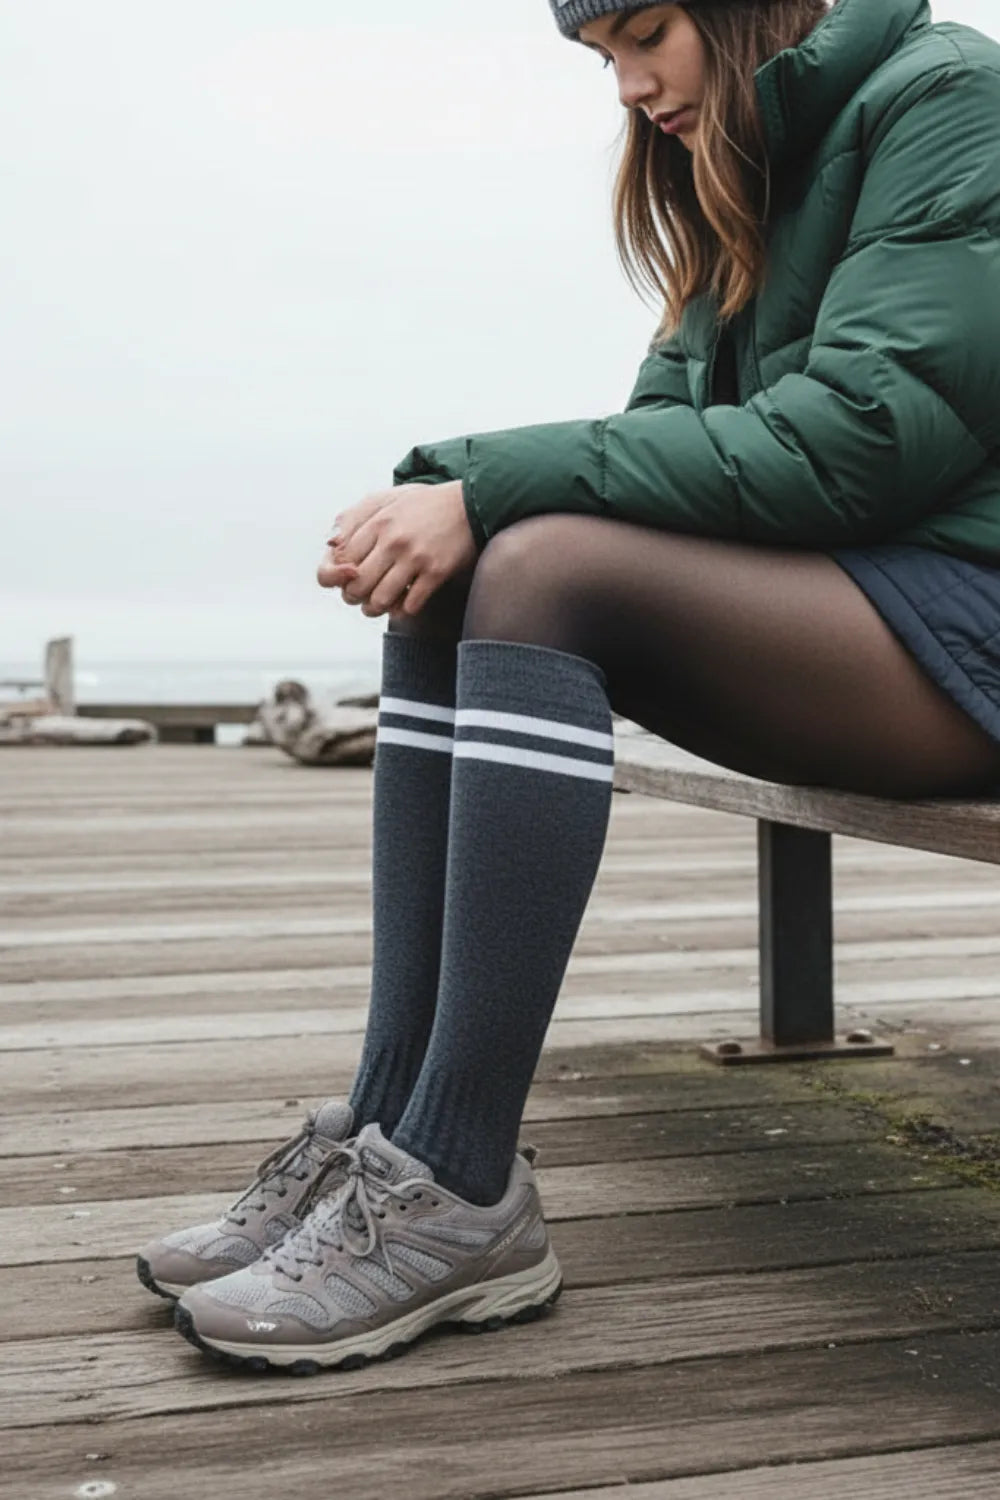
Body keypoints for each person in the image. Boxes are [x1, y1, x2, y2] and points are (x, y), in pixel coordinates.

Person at [138, 0, 1000, 1373]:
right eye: (601, 56)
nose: (630, 85)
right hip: (870, 612)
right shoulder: (738, 155)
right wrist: (467, 507)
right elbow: (671, 442)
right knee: (460, 570)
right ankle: (391, 1128)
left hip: (970, 624)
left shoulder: (946, 98)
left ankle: (459, 1181)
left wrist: (484, 481)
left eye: (646, 32)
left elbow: (859, 443)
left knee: (537, 562)